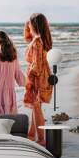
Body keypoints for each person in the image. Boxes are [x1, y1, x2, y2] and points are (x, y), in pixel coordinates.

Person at [23, 13, 53, 146]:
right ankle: (31, 135)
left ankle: (41, 139)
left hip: (37, 76)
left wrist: (30, 78)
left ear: (33, 25)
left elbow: (37, 64)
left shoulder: (37, 42)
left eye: (29, 24)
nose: (27, 26)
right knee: (36, 106)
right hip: (44, 75)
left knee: (36, 106)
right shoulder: (42, 39)